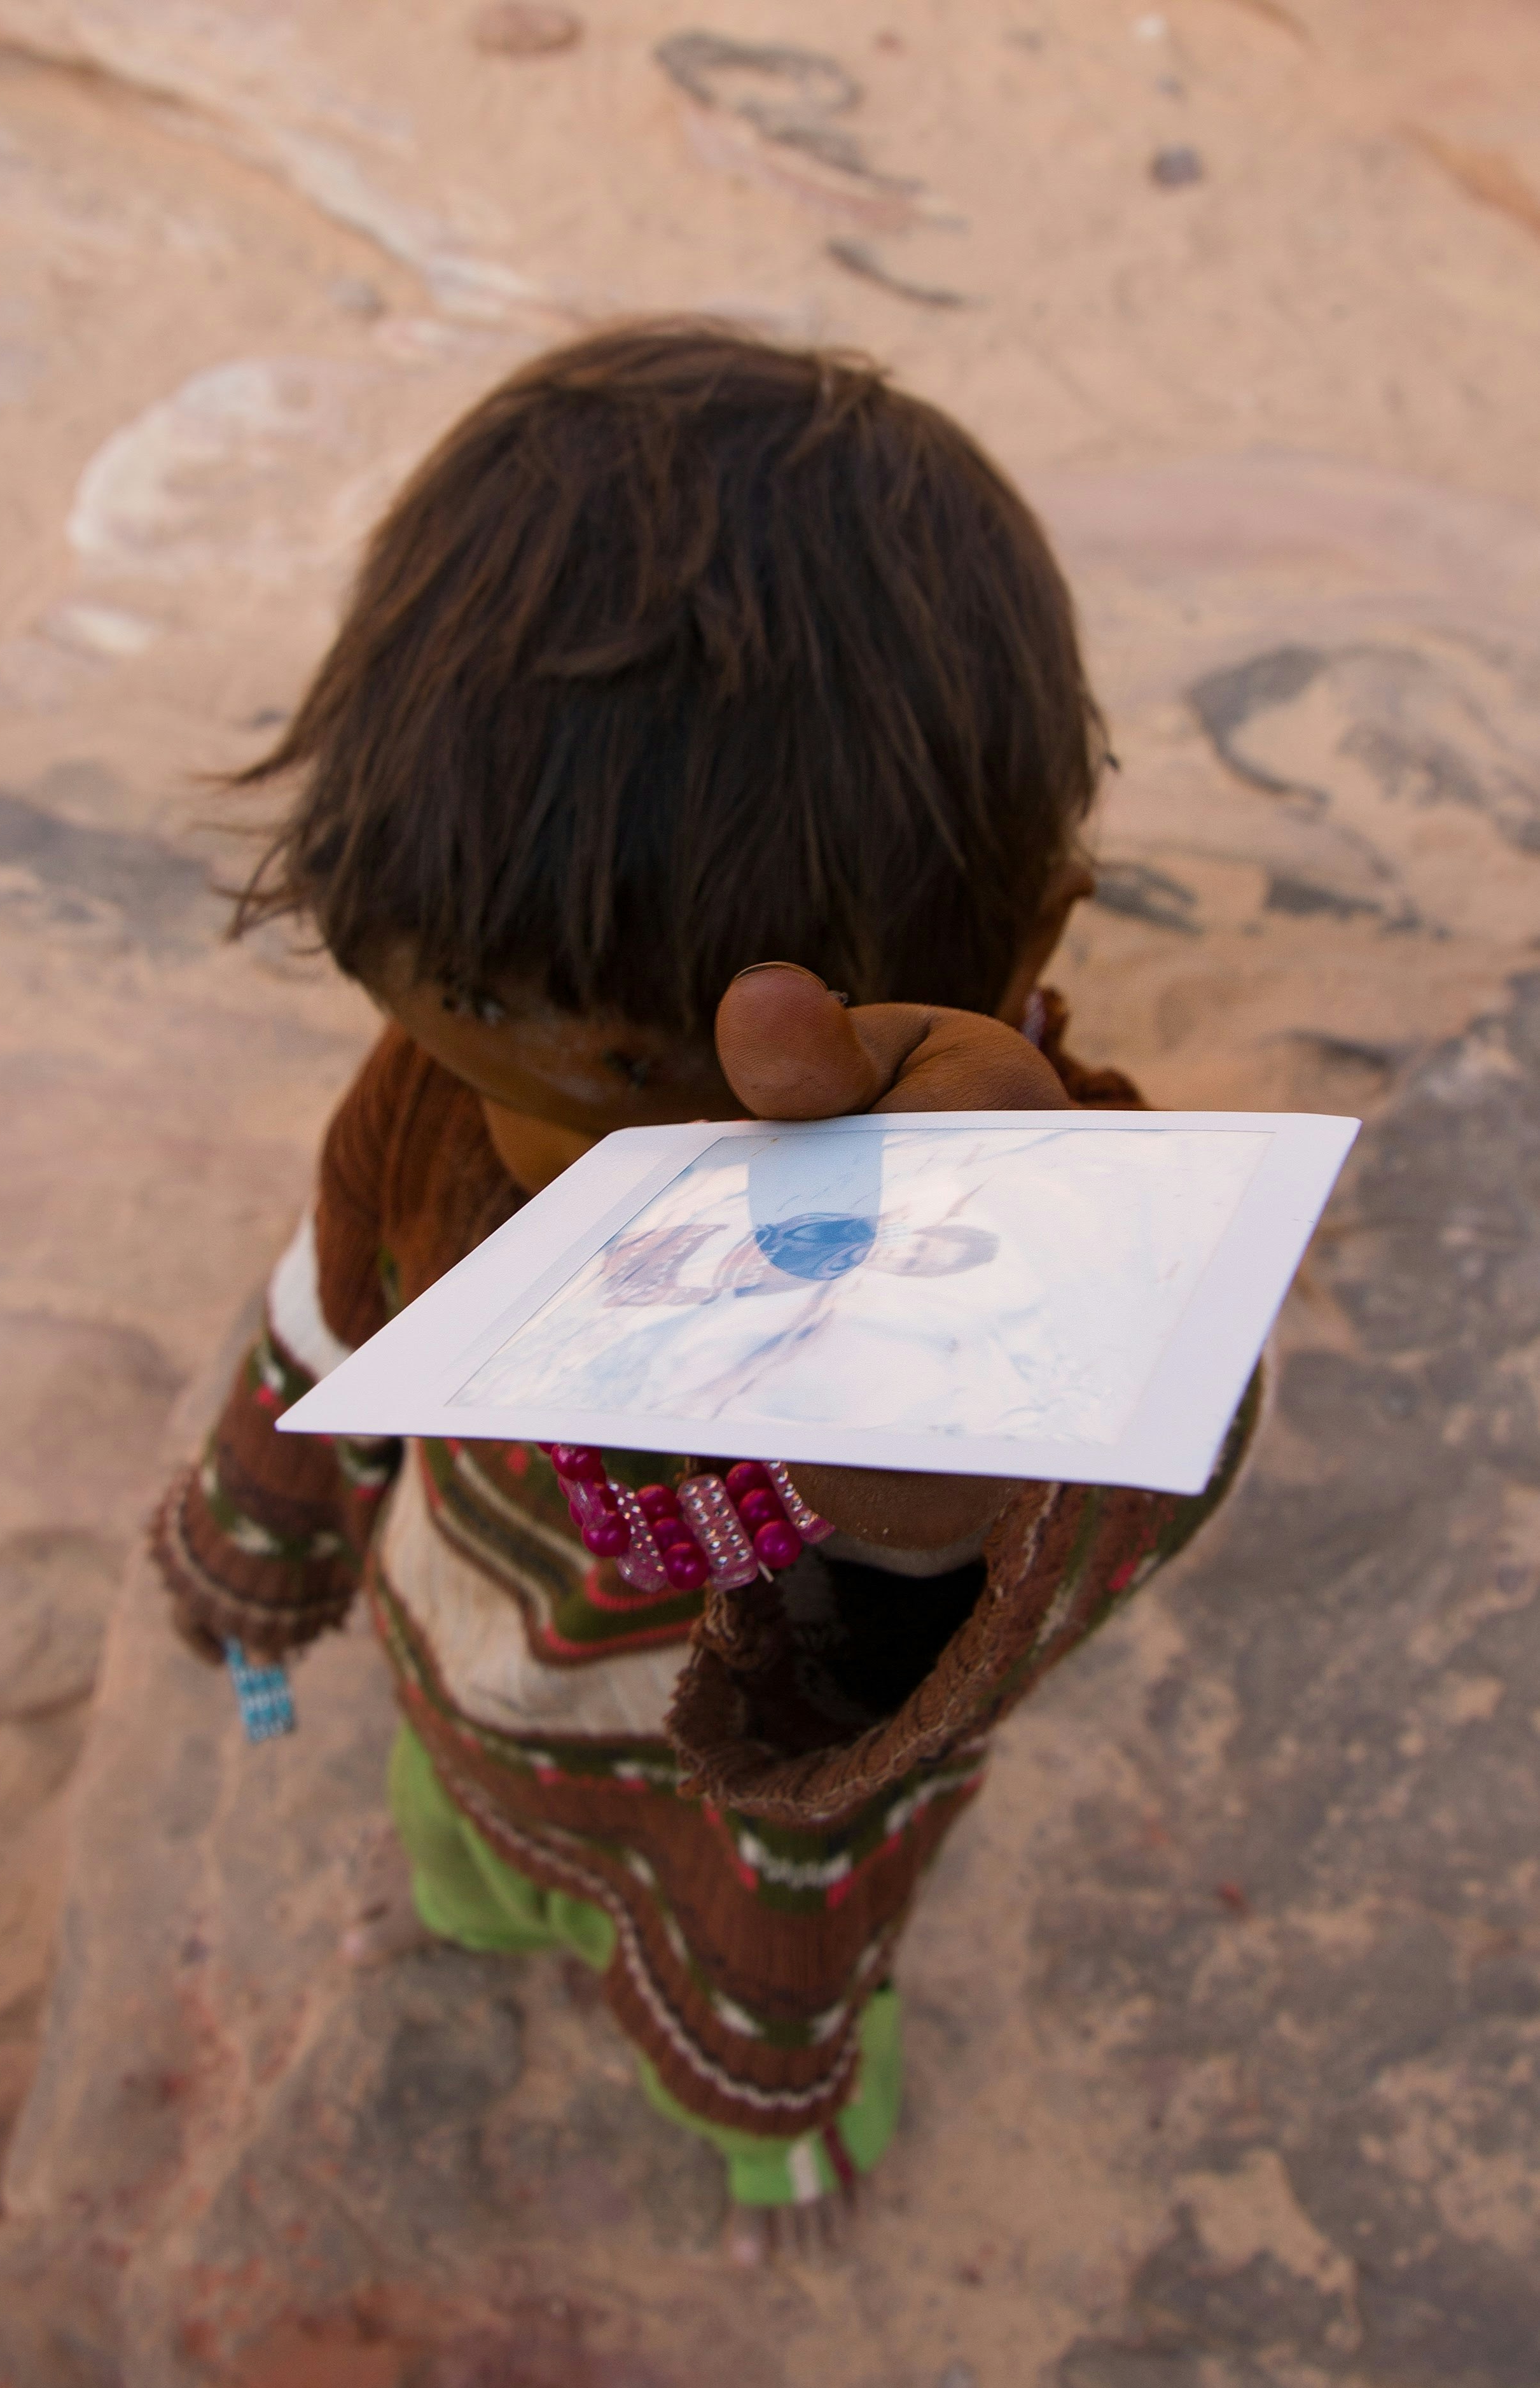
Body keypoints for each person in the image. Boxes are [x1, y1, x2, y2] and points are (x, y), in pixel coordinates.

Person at [151, 323, 1253, 2265]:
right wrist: (263, 1548)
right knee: (465, 1850)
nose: (571, 1156)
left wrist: (932, 1480)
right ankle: (492, 1907)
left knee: (761, 1993)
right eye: (483, 1015)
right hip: (477, 1659)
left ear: (1006, 961)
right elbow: (324, 1325)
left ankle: (769, 2135)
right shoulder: (416, 1116)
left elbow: (1118, 1497)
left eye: (665, 1088)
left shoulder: (997, 1234)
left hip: (760, 1810)